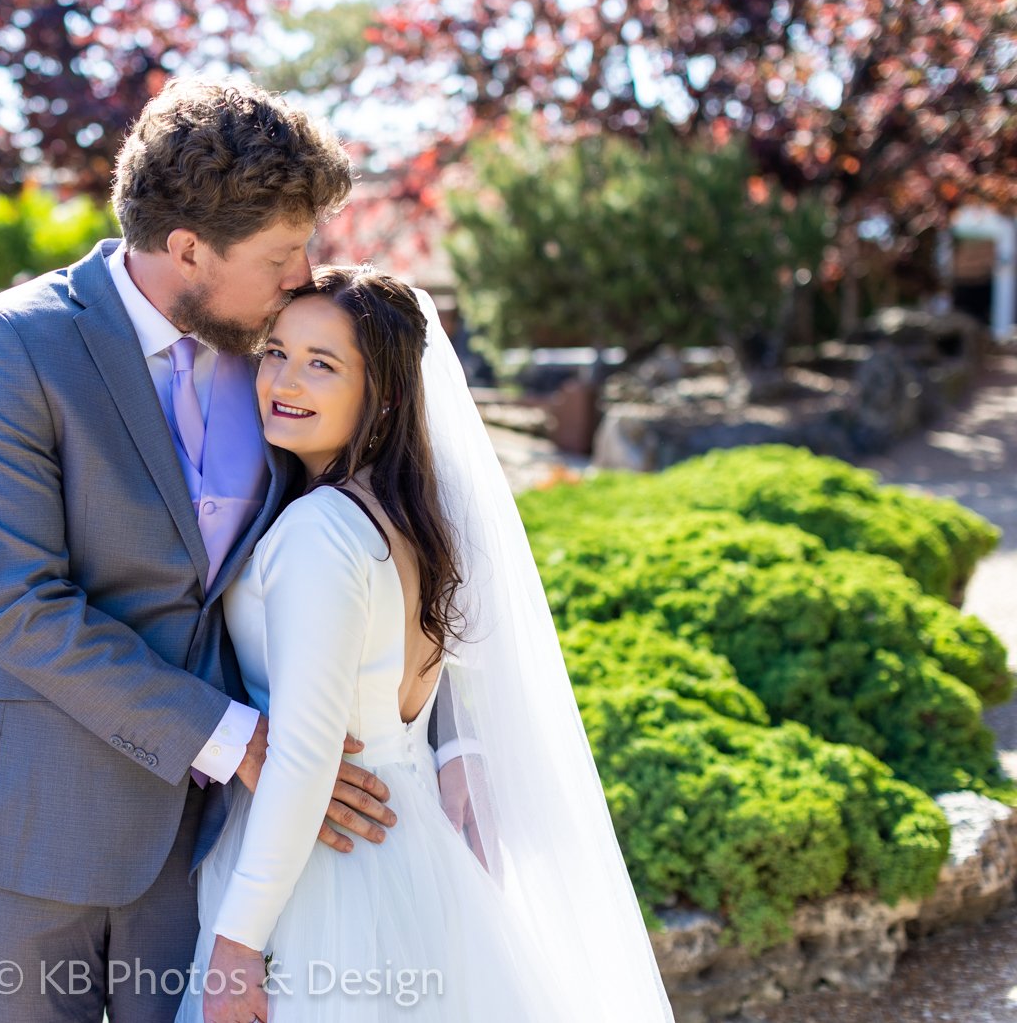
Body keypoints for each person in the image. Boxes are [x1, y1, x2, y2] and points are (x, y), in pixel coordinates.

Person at [0, 79, 402, 1022]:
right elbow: (20, 610)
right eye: (278, 253)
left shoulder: (274, 355)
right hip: (34, 826)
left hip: (202, 845)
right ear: (187, 248)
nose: (302, 275)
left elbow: (364, 525)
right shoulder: (11, 346)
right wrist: (243, 742)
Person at [179, 267, 676, 1022]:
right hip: (410, 845)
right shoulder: (409, 518)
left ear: (382, 392)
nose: (284, 378)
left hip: (327, 866)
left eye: (323, 363)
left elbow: (309, 753)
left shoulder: (318, 533)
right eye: (276, 351)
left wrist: (239, 942)